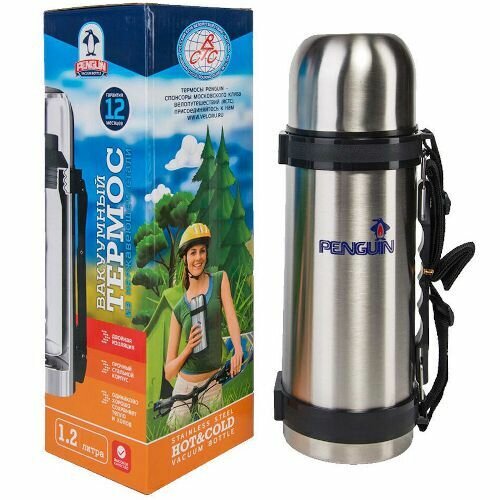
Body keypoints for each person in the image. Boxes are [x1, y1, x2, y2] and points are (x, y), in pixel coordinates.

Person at [164, 223, 243, 429]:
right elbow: (168, 372)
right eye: (193, 252)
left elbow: (231, 317)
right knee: (173, 434)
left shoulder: (220, 280)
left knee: (213, 433)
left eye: (202, 251)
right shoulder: (179, 309)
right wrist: (188, 348)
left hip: (212, 383)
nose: (198, 257)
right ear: (184, 258)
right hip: (184, 386)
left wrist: (238, 350)